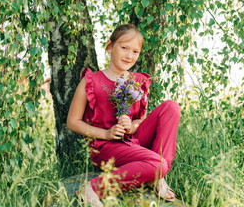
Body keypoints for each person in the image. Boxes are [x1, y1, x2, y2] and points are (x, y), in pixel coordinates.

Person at [67, 24, 181, 207]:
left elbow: (140, 120)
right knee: (157, 163)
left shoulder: (139, 82)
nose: (129, 56)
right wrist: (106, 134)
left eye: (135, 51)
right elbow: (72, 122)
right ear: (110, 46)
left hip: (133, 141)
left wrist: (132, 126)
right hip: (106, 147)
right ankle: (93, 188)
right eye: (124, 48)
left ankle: (158, 174)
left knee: (171, 107)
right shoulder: (92, 81)